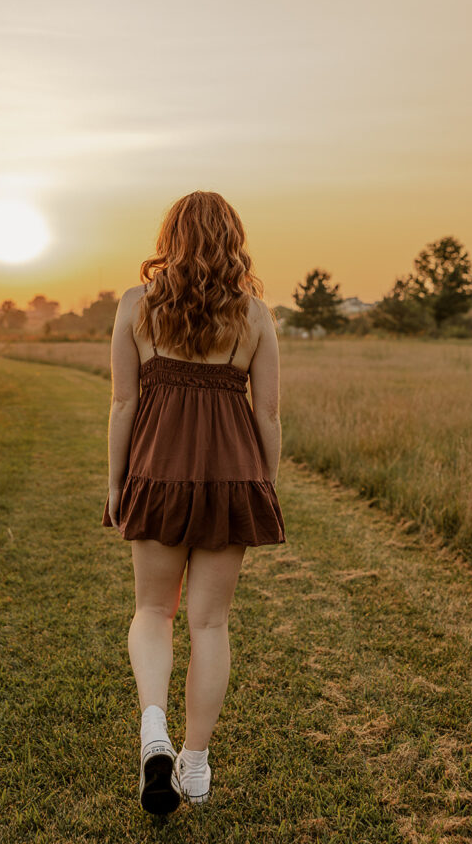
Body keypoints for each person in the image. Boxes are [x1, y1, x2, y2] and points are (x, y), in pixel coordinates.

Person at [102, 190, 285, 814]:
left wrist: (115, 482)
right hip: (232, 477)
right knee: (209, 622)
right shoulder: (256, 316)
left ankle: (154, 729)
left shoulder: (136, 306)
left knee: (153, 610)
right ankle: (196, 762)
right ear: (232, 239)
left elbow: (123, 405)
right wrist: (266, 486)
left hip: (157, 472)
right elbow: (269, 414)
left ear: (171, 237)